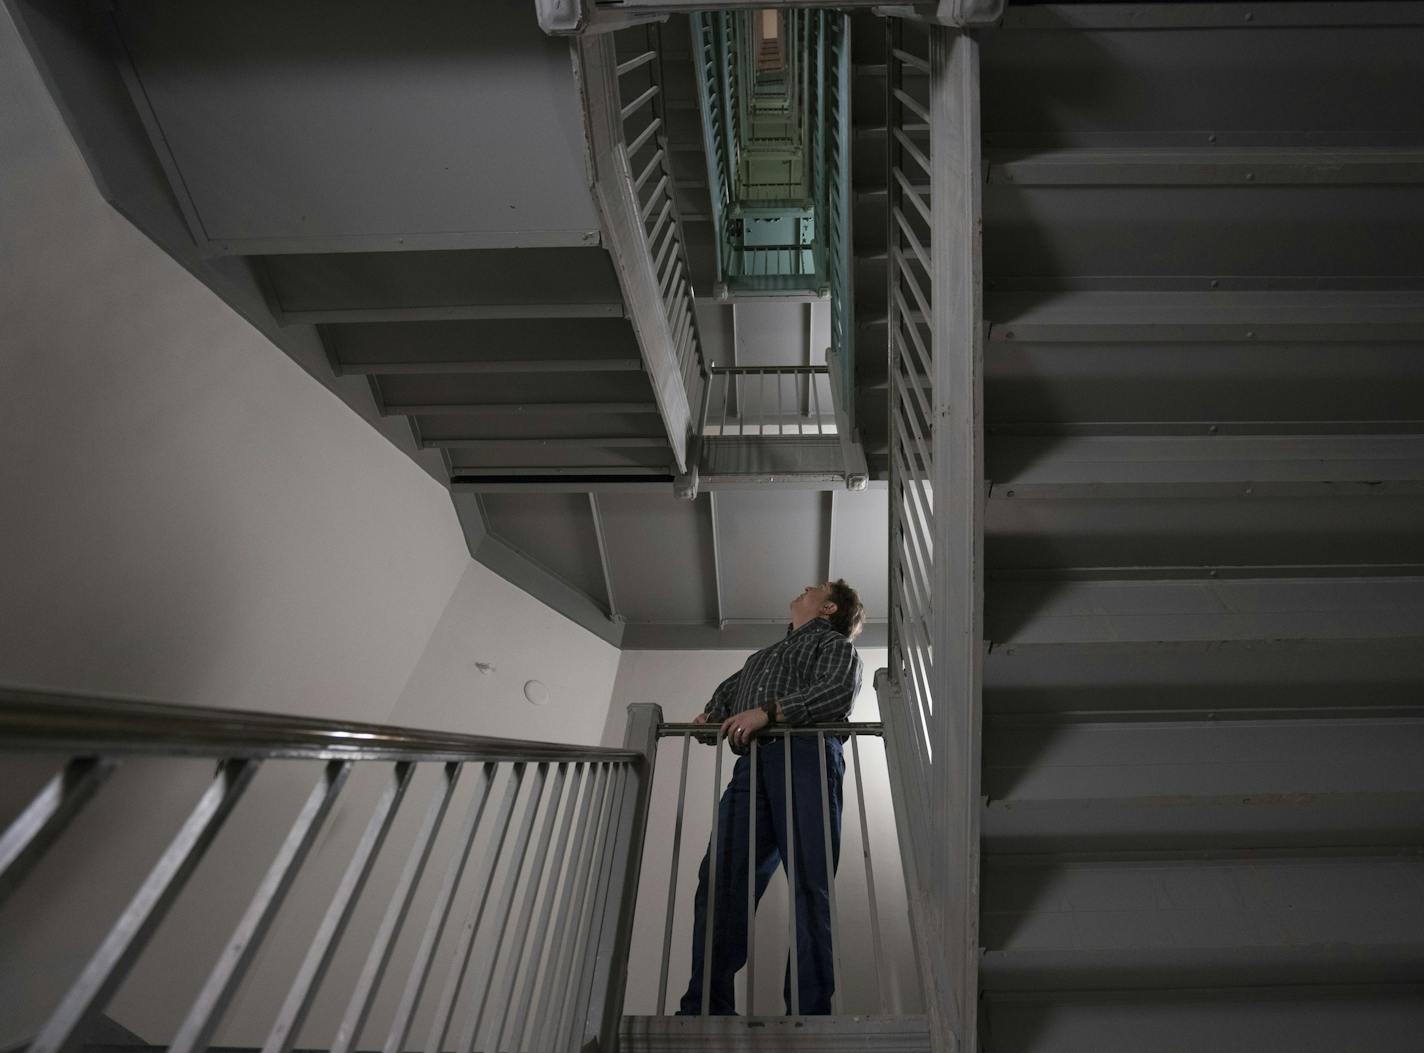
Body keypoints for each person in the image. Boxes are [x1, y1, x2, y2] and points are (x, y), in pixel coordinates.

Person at [678, 579, 865, 1016]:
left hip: (807, 753)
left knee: (809, 881)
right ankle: (707, 1004)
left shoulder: (835, 645)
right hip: (753, 763)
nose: (805, 587)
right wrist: (710, 719)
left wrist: (770, 713)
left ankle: (809, 1009)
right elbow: (725, 702)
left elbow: (836, 693)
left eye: (816, 588)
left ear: (828, 608)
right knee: (720, 876)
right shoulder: (761, 658)